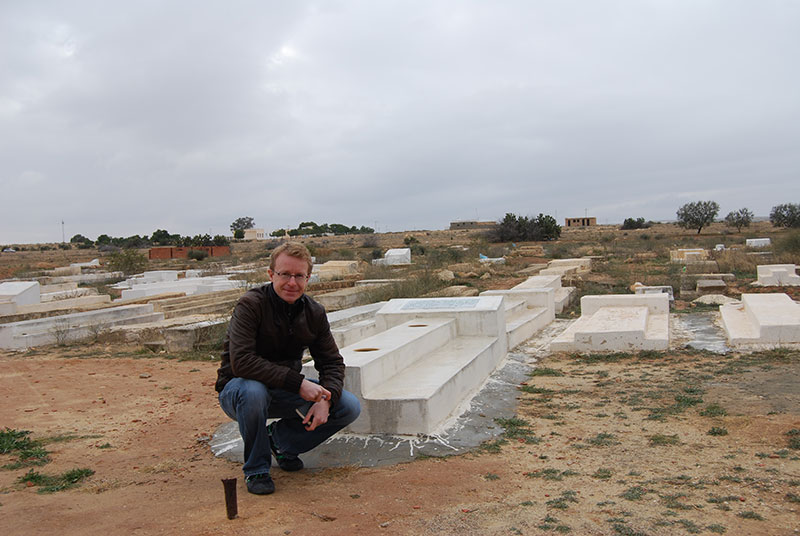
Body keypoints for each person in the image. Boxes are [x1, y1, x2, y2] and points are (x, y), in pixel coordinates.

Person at [215, 242, 361, 495]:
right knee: (253, 391)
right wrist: (299, 384)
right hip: (238, 391)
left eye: (299, 276)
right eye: (285, 274)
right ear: (271, 274)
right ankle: (257, 468)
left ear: (308, 278)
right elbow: (242, 362)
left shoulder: (313, 312)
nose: (292, 283)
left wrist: (327, 398)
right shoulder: (251, 305)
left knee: (348, 406)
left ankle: (280, 442)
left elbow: (332, 362)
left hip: (282, 391)